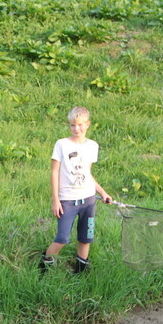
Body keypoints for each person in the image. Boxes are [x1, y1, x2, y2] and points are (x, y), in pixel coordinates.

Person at [38, 106, 112, 274]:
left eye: (80, 124)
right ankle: (44, 266)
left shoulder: (93, 146)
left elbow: (87, 174)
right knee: (63, 238)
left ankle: (80, 271)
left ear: (88, 125)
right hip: (67, 200)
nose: (76, 128)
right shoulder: (62, 144)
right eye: (72, 125)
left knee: (86, 238)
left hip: (88, 200)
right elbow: (54, 171)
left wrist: (102, 193)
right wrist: (55, 200)